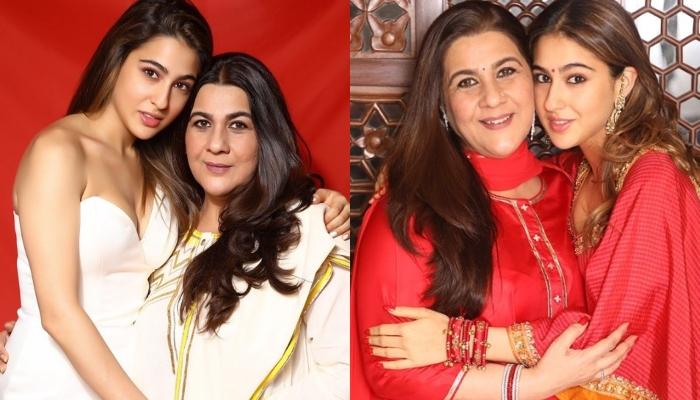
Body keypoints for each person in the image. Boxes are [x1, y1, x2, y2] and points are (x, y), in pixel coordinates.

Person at [0, 1, 348, 398]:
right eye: (151, 73)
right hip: (55, 380)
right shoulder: (59, 151)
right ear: (118, 57)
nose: (162, 100)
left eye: (181, 85)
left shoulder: (166, 168)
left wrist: (317, 204)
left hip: (138, 379)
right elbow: (58, 314)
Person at [366, 0, 699, 398]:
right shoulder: (573, 174)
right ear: (441, 102)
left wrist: (460, 340)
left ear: (623, 82)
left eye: (507, 72)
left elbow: (615, 333)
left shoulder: (634, 178)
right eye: (466, 82)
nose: (553, 101)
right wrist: (410, 173)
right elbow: (389, 369)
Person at [130, 52, 349, 400]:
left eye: (238, 125)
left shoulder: (312, 233)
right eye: (202, 123)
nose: (216, 144)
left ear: (266, 137)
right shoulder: (159, 236)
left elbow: (343, 374)